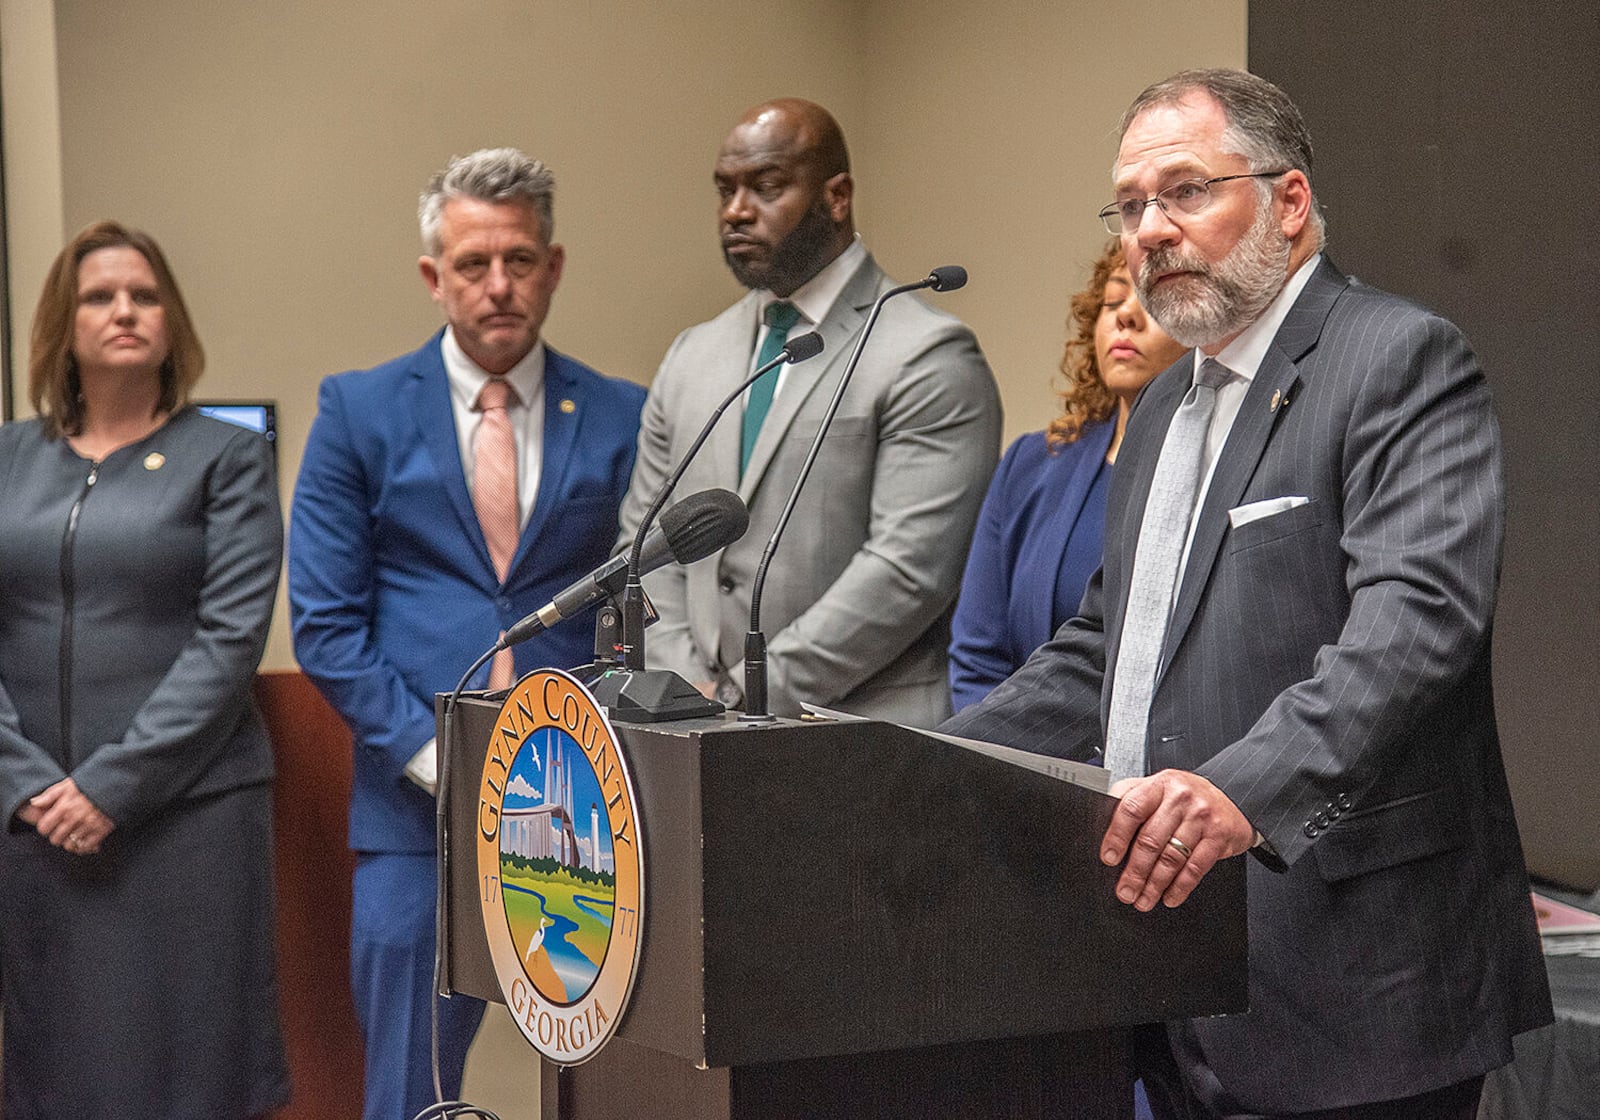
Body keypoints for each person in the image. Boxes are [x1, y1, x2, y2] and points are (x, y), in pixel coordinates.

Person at [943, 69, 1551, 1118]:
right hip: (1167, 967)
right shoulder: (1165, 403)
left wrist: (1241, 788)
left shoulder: (1396, 358)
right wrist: (920, 762)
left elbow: (1415, 624)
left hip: (1353, 979)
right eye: (1130, 205)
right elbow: (1105, 645)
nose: (1149, 229)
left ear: (1288, 202)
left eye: (1184, 192)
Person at [289, 149, 645, 1120]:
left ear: (555, 265)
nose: (499, 286)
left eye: (520, 261)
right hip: (414, 816)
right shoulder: (357, 411)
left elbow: (643, 606)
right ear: (432, 276)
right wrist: (441, 759)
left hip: (580, 808)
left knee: (609, 1074)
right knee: (410, 1089)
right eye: (474, 263)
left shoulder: (621, 415)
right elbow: (324, 625)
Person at [0, 221, 288, 1118]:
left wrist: (113, 789)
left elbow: (230, 640)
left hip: (185, 822)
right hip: (35, 824)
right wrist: (26, 782)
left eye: (145, 294)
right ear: (64, 321)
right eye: (99, 295)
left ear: (172, 320)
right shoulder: (7, 459)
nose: (124, 310)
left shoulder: (228, 458)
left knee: (190, 1073)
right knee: (58, 1073)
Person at [618, 98, 1001, 726]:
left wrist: (741, 695)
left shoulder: (927, 353)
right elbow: (644, 545)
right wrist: (681, 685)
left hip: (859, 738)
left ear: (838, 196)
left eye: (766, 187)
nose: (737, 211)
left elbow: (907, 572)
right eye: (725, 190)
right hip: (692, 732)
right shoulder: (693, 353)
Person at [949, 239, 1186, 711]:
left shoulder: (1226, 465)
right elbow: (978, 658)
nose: (1126, 317)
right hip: (1024, 766)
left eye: (1152, 303)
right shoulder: (1031, 464)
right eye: (1113, 301)